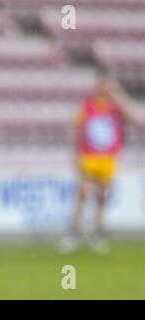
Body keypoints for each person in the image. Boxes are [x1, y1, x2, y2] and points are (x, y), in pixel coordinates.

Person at [59, 71, 136, 254]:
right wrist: (75, 155)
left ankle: (97, 232)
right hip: (89, 155)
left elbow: (131, 117)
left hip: (108, 157)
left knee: (102, 196)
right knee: (83, 193)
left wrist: (119, 96)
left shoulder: (114, 107)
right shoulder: (87, 106)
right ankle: (74, 231)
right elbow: (75, 128)